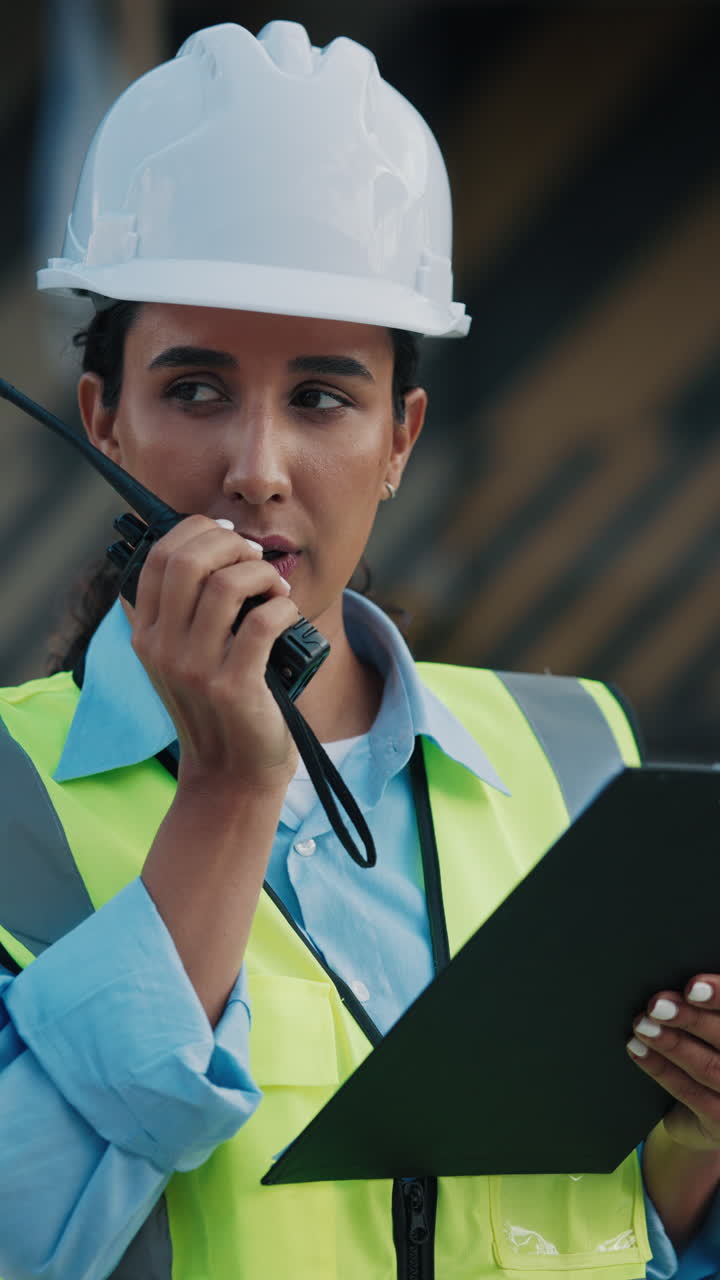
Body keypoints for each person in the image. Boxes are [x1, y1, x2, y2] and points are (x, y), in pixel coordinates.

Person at [1, 19, 720, 1280]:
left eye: (324, 398)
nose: (255, 470)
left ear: (401, 438)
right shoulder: (8, 793)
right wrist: (228, 790)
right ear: (102, 420)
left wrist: (686, 1158)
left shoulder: (573, 753)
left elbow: (601, 1236)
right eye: (196, 388)